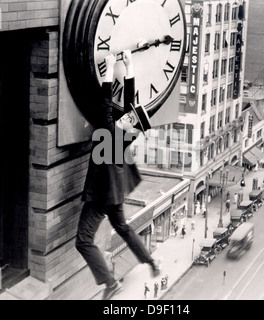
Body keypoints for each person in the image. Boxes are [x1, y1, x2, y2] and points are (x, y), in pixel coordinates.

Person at [75, 51, 160, 301]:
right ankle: (150, 260)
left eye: (129, 119)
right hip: (115, 192)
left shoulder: (111, 131)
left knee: (84, 241)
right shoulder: (124, 135)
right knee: (122, 227)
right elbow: (130, 108)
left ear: (128, 125)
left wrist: (110, 68)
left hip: (101, 194)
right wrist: (130, 66)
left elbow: (105, 104)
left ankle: (110, 284)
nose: (126, 116)